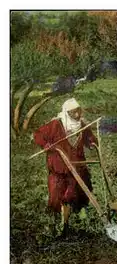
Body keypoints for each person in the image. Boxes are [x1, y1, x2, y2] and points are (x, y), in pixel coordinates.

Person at [34, 98, 98, 237]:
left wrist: (92, 143)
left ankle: (65, 225)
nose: (77, 115)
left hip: (76, 166)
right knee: (57, 197)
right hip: (59, 168)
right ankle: (53, 224)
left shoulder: (82, 124)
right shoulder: (56, 124)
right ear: (67, 112)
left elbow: (89, 138)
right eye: (73, 113)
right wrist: (46, 145)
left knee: (70, 196)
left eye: (78, 112)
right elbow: (38, 135)